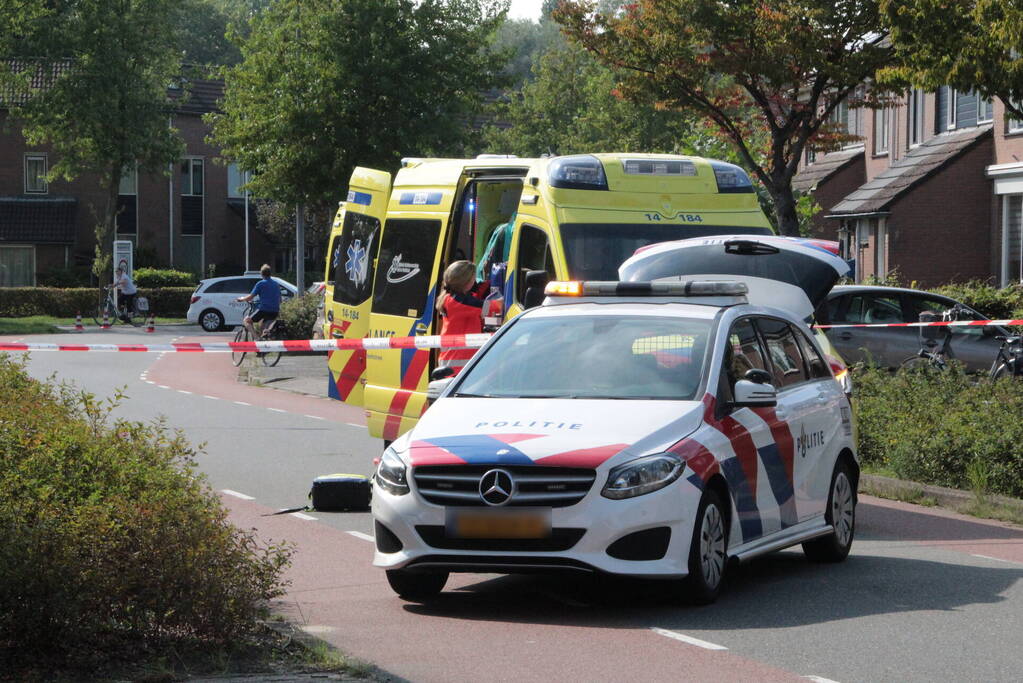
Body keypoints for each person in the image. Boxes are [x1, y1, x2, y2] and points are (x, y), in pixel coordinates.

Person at [436, 260, 488, 374]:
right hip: (457, 367)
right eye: (473, 278)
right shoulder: (458, 302)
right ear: (467, 281)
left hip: (454, 363)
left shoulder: (452, 298)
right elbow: (488, 307)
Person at [236, 264, 281, 340]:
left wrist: (241, 299)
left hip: (264, 309)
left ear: (261, 274)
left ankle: (256, 338)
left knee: (247, 320)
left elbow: (250, 297)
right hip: (275, 311)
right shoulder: (276, 284)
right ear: (270, 273)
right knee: (262, 327)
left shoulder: (261, 284)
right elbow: (280, 300)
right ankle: (263, 344)